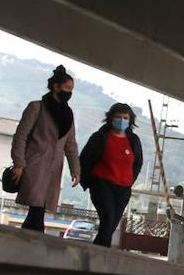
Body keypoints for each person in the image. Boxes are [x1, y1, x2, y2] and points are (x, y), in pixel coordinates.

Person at [11, 65, 81, 233]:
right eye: (67, 88)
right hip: (34, 165)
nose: (69, 93)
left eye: (72, 89)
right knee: (36, 209)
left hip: (54, 168)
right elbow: (21, 136)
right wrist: (19, 164)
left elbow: (70, 145)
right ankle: (32, 247)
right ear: (56, 86)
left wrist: (75, 169)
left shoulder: (68, 115)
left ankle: (26, 246)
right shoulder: (36, 107)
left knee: (38, 210)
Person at [80, 103, 144, 247]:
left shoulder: (133, 141)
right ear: (111, 118)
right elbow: (85, 159)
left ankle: (98, 252)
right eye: (118, 117)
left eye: (125, 117)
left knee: (111, 224)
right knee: (108, 218)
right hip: (102, 184)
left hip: (123, 188)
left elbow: (138, 163)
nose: (121, 120)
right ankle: (101, 254)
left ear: (130, 120)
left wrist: (130, 180)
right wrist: (87, 180)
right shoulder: (99, 137)